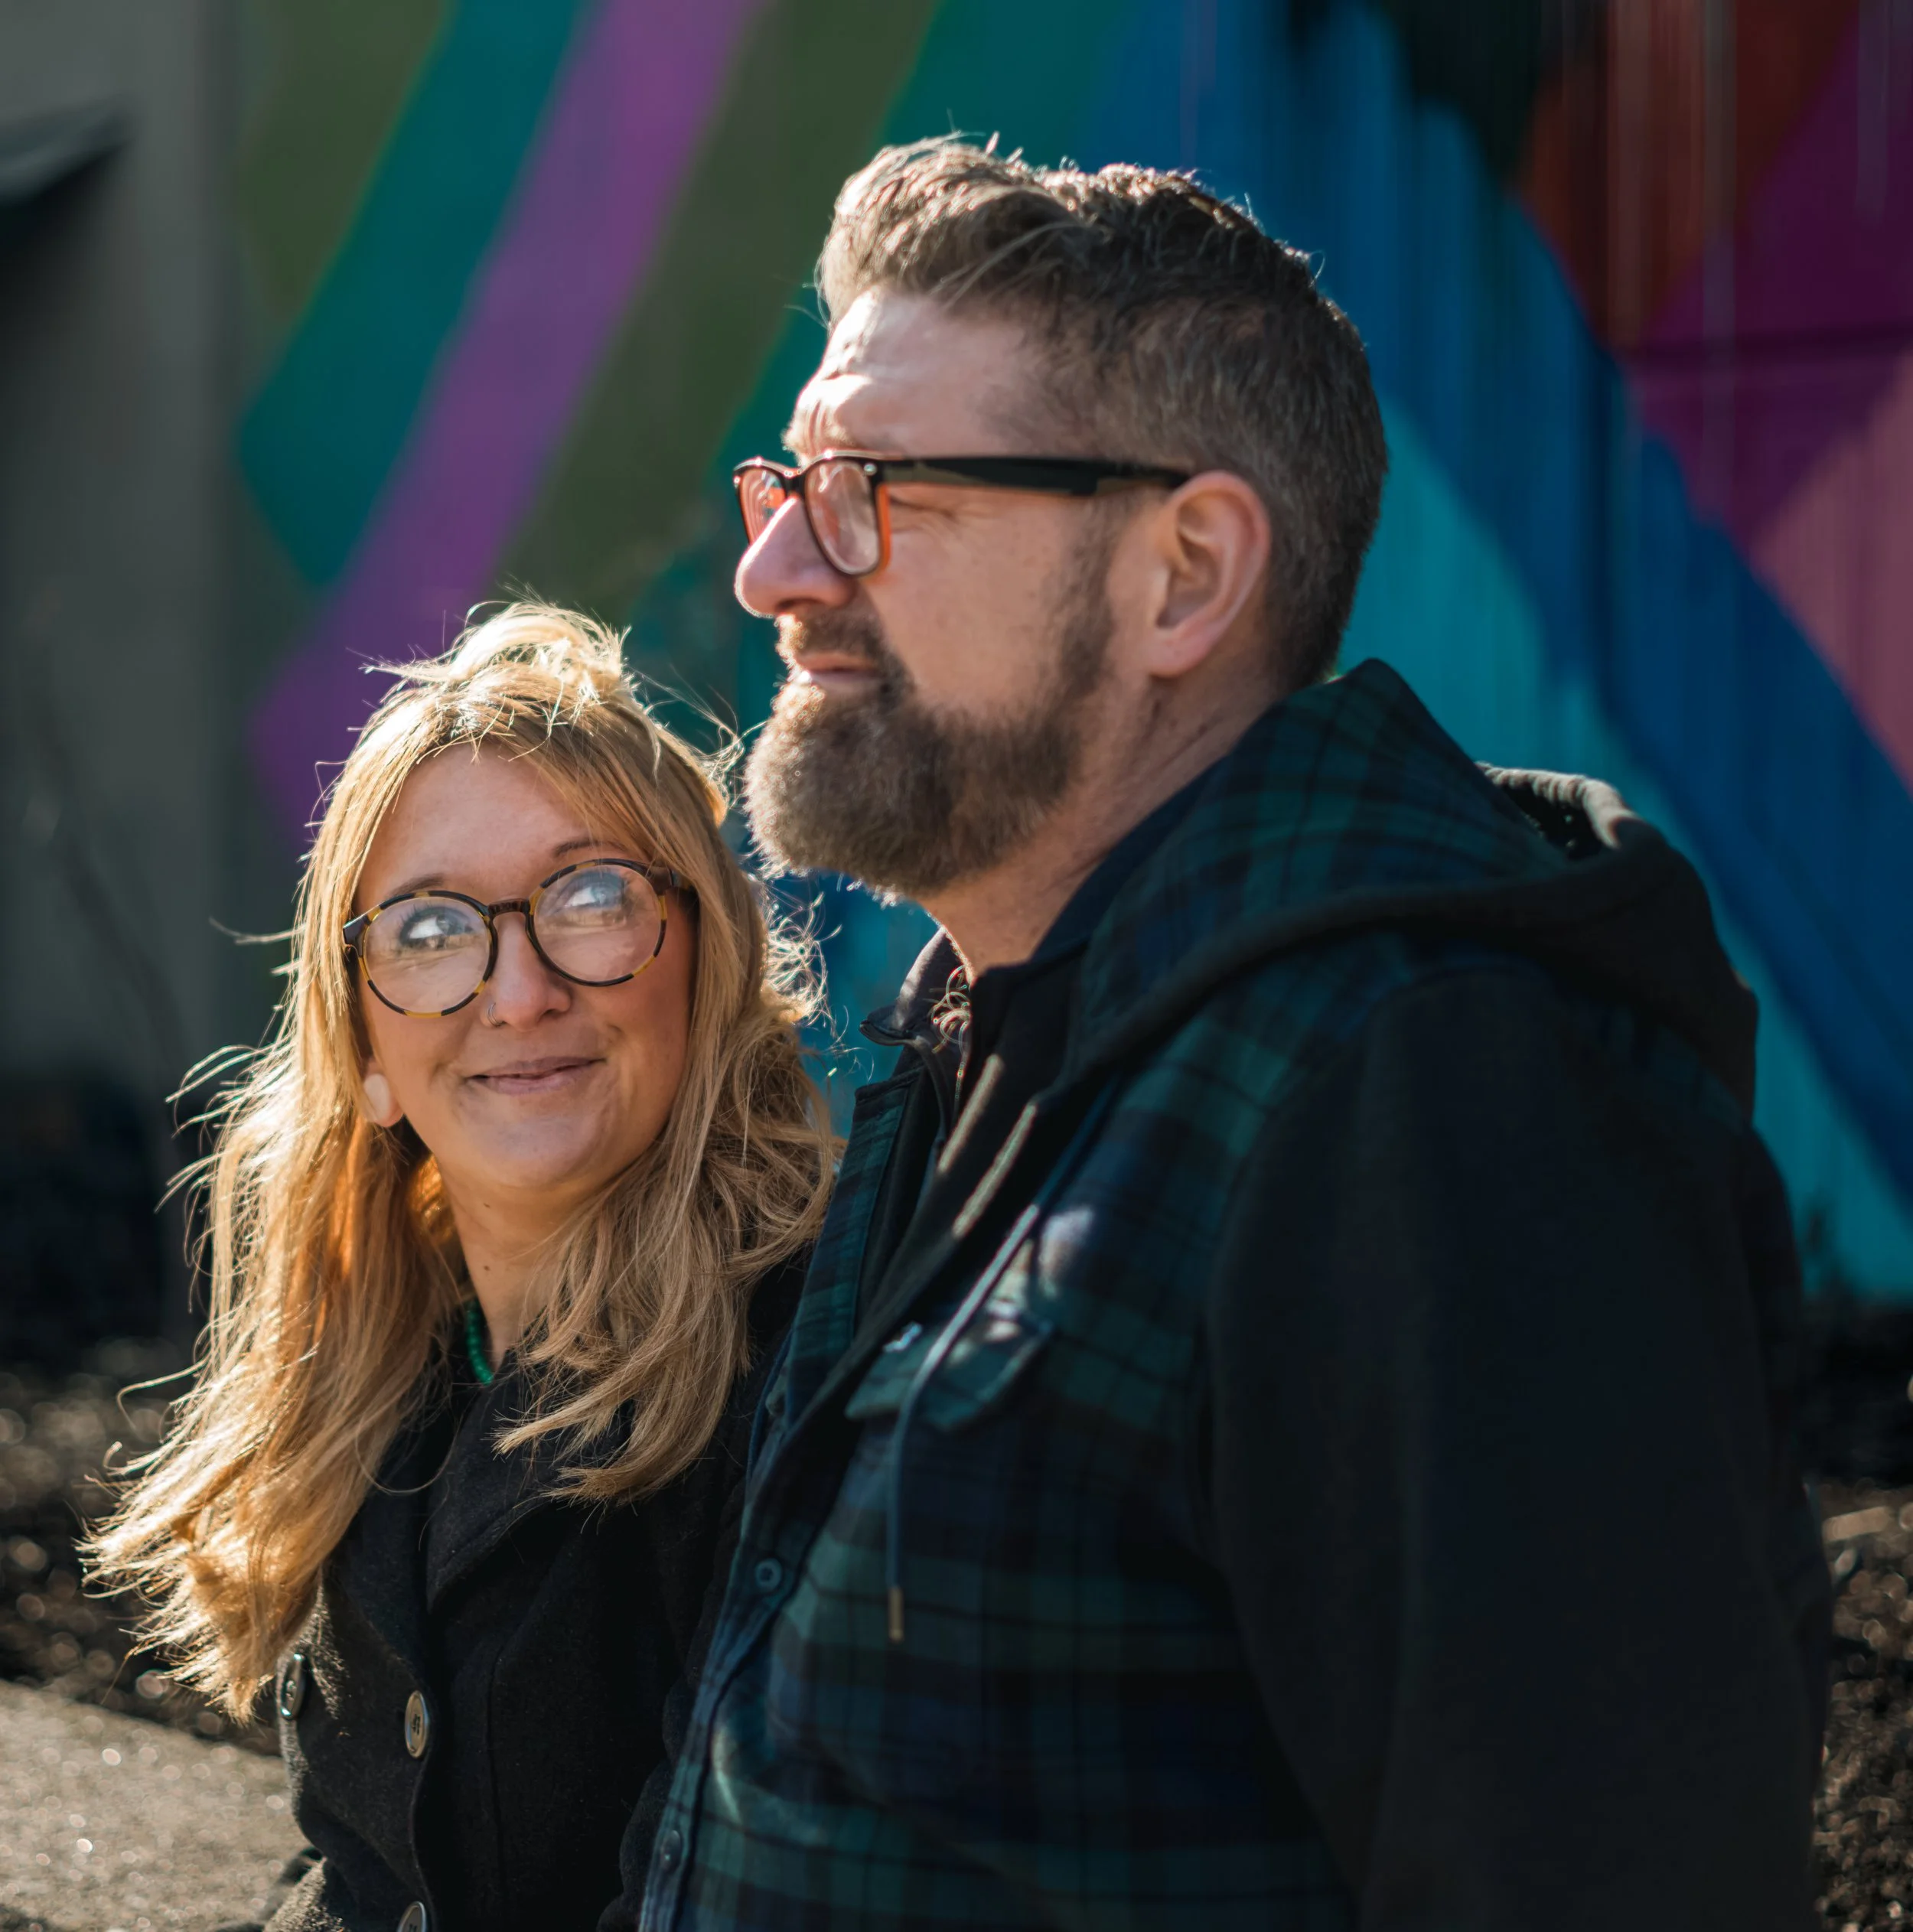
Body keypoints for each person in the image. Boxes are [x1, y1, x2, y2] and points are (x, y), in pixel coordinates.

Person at [637, 145, 1831, 1930]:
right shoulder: (989, 1022)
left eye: (877, 487)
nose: (777, 570)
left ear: (1180, 576)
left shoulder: (1432, 1101)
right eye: (792, 482)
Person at [91, 606, 835, 1932]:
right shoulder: (387, 1370)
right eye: (431, 932)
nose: (519, 989)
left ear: (705, 958)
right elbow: (359, 1870)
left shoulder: (804, 1372)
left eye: (592, 899)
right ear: (362, 1034)